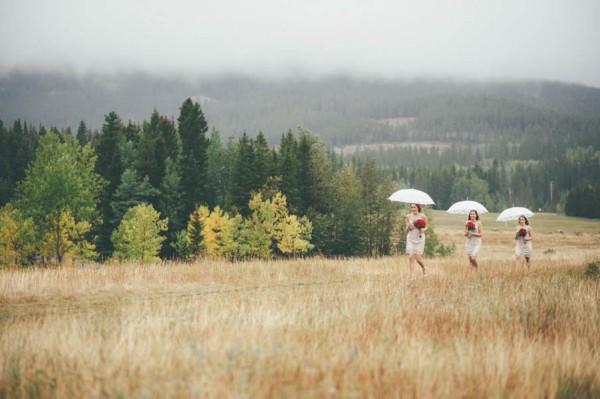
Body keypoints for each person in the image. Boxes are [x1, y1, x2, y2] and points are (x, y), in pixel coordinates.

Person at [405, 203, 428, 278]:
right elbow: (407, 229)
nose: (413, 209)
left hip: (419, 238)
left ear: (418, 207)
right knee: (410, 256)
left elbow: (426, 227)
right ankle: (412, 275)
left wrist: (422, 230)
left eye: (414, 207)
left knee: (418, 258)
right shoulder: (408, 216)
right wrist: (408, 227)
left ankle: (424, 268)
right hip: (411, 237)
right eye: (412, 207)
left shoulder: (422, 216)